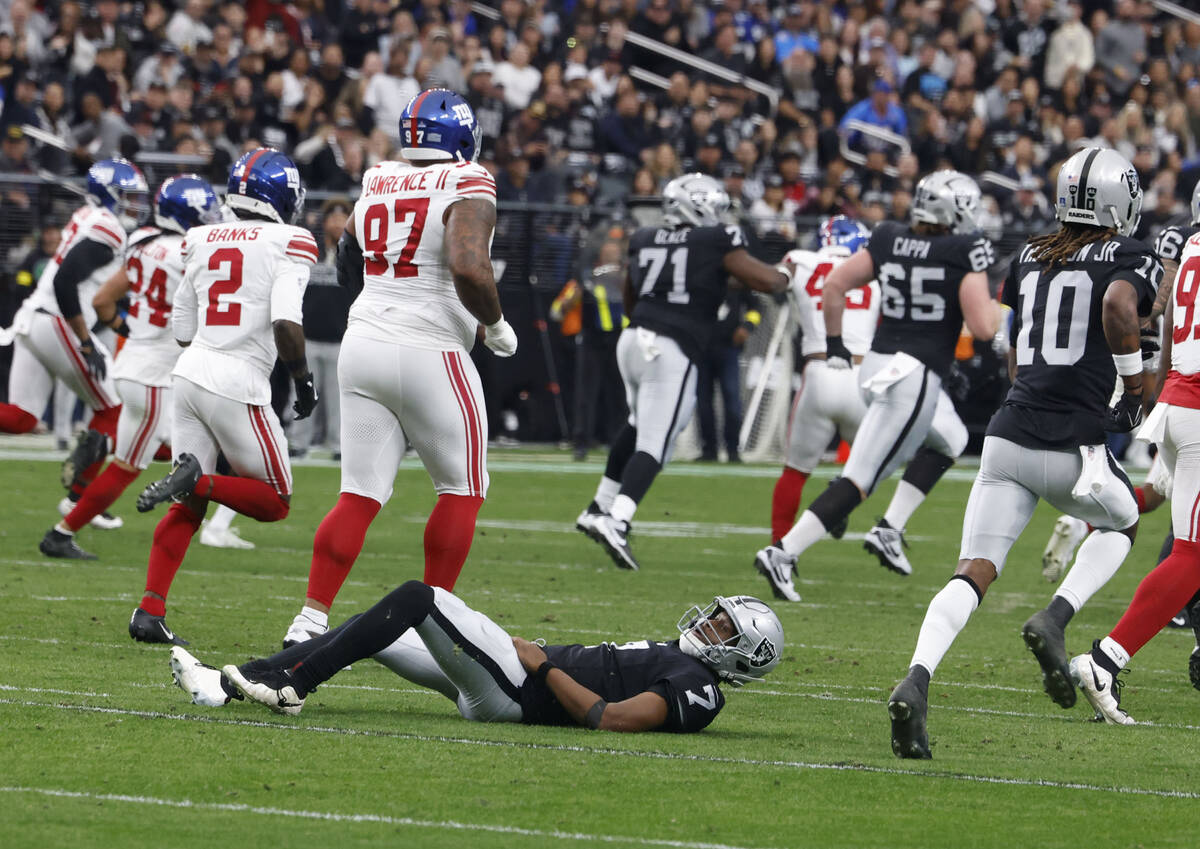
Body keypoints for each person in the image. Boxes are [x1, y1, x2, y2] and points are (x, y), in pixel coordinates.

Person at [887, 148, 1158, 757]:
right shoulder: (1129, 254)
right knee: (1123, 522)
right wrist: (1135, 384)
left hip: (1008, 434)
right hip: (1073, 445)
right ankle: (1056, 618)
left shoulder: (1032, 253)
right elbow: (1118, 306)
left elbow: (1014, 344)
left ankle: (917, 678)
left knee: (972, 571)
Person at [280, 89, 517, 648]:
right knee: (461, 489)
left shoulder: (380, 178)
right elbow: (468, 265)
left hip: (363, 342)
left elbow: (347, 261)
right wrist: (497, 324)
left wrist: (386, 304)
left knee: (358, 493)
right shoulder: (469, 178)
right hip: (430, 347)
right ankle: (438, 629)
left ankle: (309, 618)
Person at [755, 172, 998, 601]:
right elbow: (981, 326)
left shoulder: (887, 235)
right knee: (861, 478)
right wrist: (1004, 309)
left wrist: (834, 346)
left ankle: (890, 527)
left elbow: (835, 285)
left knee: (952, 438)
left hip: (875, 365)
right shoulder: (962, 249)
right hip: (915, 374)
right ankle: (784, 552)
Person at [129, 148, 320, 646]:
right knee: (276, 499)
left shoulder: (198, 237)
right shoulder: (291, 240)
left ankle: (149, 609)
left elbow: (183, 328)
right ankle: (198, 479)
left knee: (187, 506)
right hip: (237, 379)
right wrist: (302, 377)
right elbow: (285, 321)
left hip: (189, 372)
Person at [170, 582, 782, 734]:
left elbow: (610, 720)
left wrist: (542, 665)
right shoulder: (683, 657)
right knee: (371, 624)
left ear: (744, 658)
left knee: (417, 597)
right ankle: (226, 685)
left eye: (724, 626)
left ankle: (292, 686)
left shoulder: (699, 685)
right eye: (716, 614)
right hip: (514, 678)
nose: (708, 623)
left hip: (520, 687)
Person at [575, 173, 789, 571]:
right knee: (658, 442)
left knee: (640, 427)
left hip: (634, 338)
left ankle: (598, 506)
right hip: (670, 347)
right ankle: (617, 519)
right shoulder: (715, 240)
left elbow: (631, 290)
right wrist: (787, 273)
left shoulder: (643, 237)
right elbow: (766, 280)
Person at [38, 175, 222, 560]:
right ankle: (61, 532)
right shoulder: (190, 254)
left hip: (134, 361)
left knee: (176, 447)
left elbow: (105, 301)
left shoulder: (142, 243)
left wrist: (135, 331)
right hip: (155, 373)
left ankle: (103, 451)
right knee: (128, 466)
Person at [1067, 192, 1200, 725]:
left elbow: (1167, 329)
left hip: (1177, 400)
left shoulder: (1191, 245)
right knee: (1190, 557)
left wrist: (1159, 393)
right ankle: (1106, 660)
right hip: (1195, 408)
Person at [0, 159, 149, 513]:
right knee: (113, 412)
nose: (135, 204)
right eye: (127, 196)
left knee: (23, 418)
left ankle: (79, 498)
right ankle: (78, 502)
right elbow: (65, 281)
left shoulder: (87, 215)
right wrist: (84, 340)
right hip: (57, 321)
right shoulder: (108, 228)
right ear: (109, 195)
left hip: (34, 318)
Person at [696, 283, 762, 463]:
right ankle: (709, 449)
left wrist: (747, 326)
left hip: (729, 348)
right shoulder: (703, 279)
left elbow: (755, 307)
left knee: (732, 400)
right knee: (703, 402)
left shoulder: (738, 282)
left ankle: (733, 449)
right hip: (702, 348)